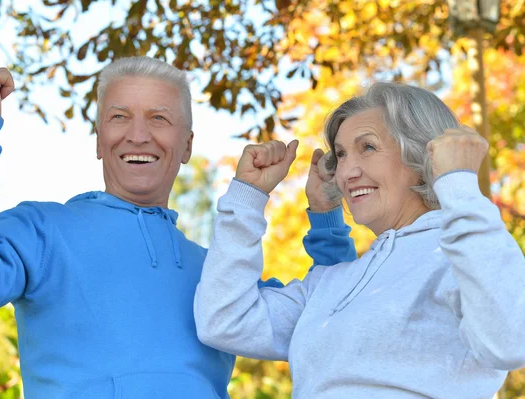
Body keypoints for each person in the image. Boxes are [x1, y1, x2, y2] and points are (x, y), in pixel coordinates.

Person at [0, 56, 357, 398]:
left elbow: (335, 319)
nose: (137, 135)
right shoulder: (41, 229)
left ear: (187, 145)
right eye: (118, 117)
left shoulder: (221, 274)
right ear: (98, 140)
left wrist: (326, 215)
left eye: (159, 118)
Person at [194, 82, 525, 398]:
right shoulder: (333, 280)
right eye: (340, 155)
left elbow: (510, 340)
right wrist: (248, 197)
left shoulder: (462, 253)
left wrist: (458, 186)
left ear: (422, 156)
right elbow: (224, 322)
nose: (347, 171)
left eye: (367, 147)